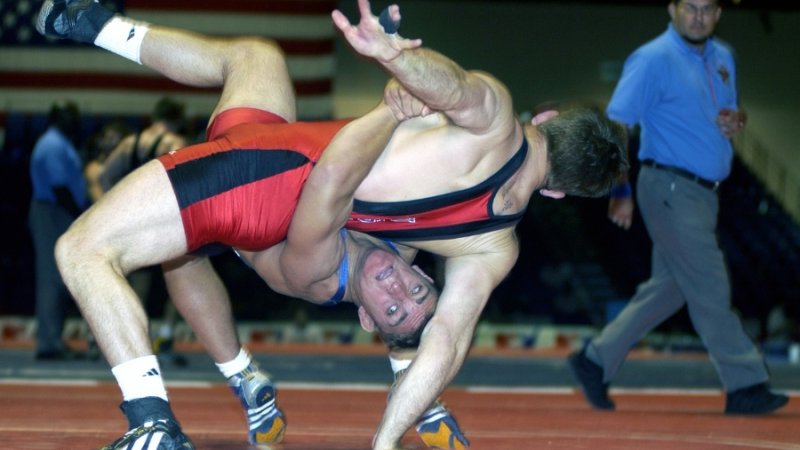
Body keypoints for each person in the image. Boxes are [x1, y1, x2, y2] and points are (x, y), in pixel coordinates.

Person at [37, 0, 628, 448]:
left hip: (274, 179)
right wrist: (385, 440)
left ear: (544, 118)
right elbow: (445, 342)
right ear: (558, 191)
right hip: (278, 156)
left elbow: (453, 88)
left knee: (83, 249)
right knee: (256, 56)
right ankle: (95, 24)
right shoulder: (496, 248)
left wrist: (396, 58)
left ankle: (152, 422)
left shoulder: (497, 118)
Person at [567, 0, 789, 416]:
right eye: (690, 7)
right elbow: (617, 124)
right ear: (672, 9)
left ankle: (595, 360)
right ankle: (745, 383)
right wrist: (620, 189)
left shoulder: (724, 57)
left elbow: (728, 112)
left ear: (719, 13)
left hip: (706, 194)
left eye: (707, 8)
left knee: (669, 290)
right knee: (711, 285)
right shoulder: (652, 59)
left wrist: (737, 121)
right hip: (669, 187)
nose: (698, 16)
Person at [97, 97, 191, 367]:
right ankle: (166, 338)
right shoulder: (175, 143)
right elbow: (187, 181)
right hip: (167, 221)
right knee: (184, 277)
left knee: (138, 285)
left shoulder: (130, 143)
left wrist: (118, 206)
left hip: (136, 222)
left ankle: (132, 344)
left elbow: (104, 176)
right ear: (176, 119)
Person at [28, 99, 89, 360]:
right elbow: (60, 187)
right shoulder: (52, 144)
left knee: (59, 277)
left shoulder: (61, 142)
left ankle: (54, 339)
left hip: (57, 210)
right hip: (52, 211)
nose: (75, 120)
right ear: (58, 118)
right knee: (51, 278)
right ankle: (49, 344)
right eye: (69, 116)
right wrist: (80, 217)